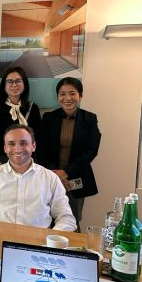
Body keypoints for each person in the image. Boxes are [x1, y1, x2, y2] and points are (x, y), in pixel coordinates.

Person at [0, 125, 76, 231]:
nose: (17, 149)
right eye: (11, 144)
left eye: (23, 143)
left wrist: (50, 239)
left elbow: (66, 218)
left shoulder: (50, 178)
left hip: (38, 241)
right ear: (5, 148)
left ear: (33, 146)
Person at [37, 77, 101, 230]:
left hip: (76, 178)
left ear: (80, 95)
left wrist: (66, 172)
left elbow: (92, 150)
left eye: (72, 93)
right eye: (62, 94)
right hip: (50, 177)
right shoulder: (48, 118)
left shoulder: (90, 119)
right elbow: (40, 150)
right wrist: (56, 175)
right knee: (46, 219)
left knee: (72, 220)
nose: (67, 98)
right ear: (57, 96)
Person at [0, 66, 41, 166]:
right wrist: (13, 156)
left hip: (27, 160)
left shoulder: (33, 108)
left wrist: (23, 155)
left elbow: (36, 136)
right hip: (2, 160)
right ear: (4, 85)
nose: (14, 85)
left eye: (18, 81)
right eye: (10, 81)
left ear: (24, 84)